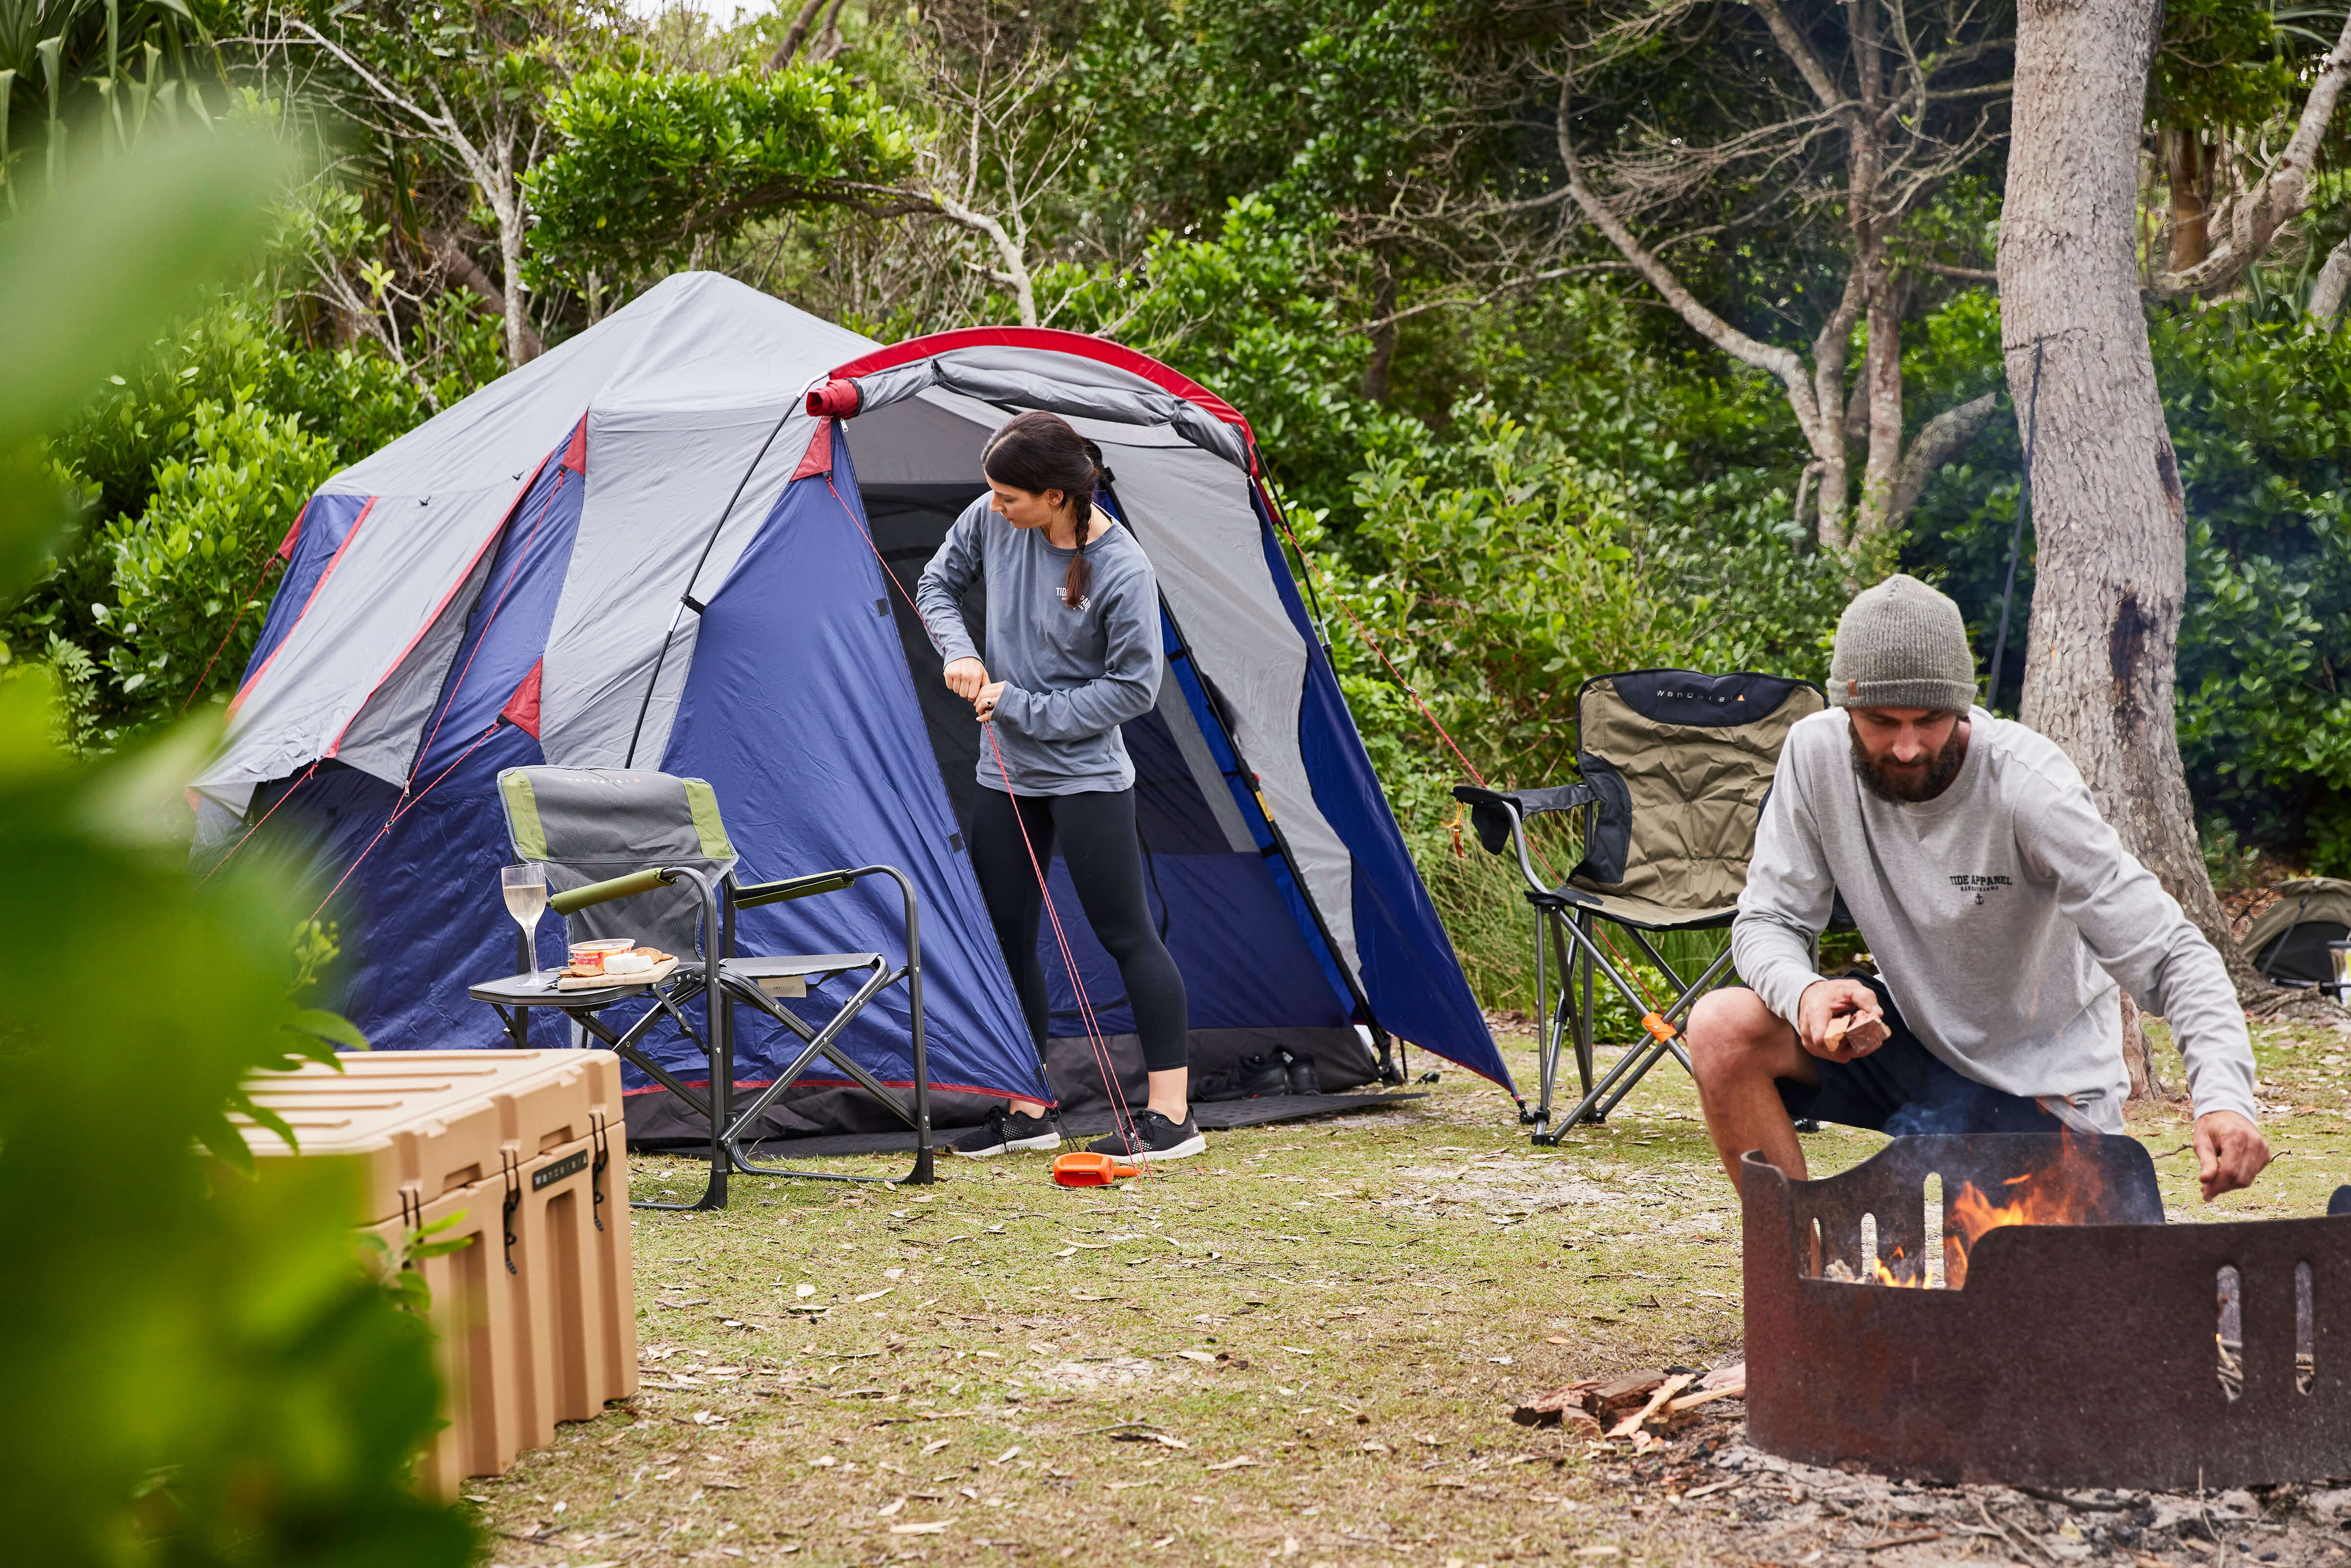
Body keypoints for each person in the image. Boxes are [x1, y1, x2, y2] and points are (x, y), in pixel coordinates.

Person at [1686, 573, 2269, 1203]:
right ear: (1845, 708)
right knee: (1723, 1025)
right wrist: (1806, 993)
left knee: (2084, 1300)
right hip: (1905, 1045)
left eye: (1929, 719)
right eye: (1881, 721)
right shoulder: (1814, 754)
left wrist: (2225, 1099)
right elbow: (1768, 920)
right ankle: (1793, 1273)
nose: (1907, 748)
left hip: (2042, 1091)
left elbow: (2173, 953)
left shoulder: (2028, 788)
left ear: (1960, 706)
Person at [915, 410, 1202, 1162]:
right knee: (1005, 930)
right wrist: (961, 653)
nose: (994, 507)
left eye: (1009, 497)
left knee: (1125, 934)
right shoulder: (992, 518)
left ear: (1054, 496)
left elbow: (1132, 691)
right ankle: (1028, 1107)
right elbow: (937, 583)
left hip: (1087, 780)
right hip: (1004, 775)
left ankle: (1171, 1119)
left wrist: (1021, 707)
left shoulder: (1122, 570)